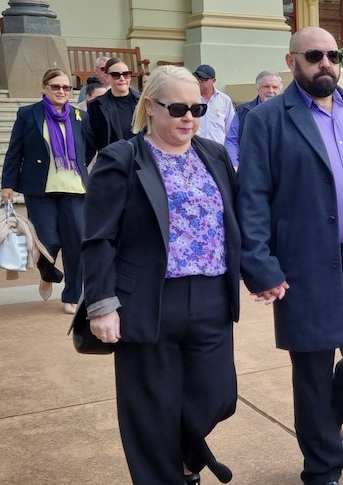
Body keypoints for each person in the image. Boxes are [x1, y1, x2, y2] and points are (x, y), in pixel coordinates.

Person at [238, 26, 343, 485]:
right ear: (293, 62)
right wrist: (260, 265)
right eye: (314, 55)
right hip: (304, 264)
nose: (325, 63)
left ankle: (326, 423)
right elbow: (251, 197)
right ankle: (322, 467)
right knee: (312, 368)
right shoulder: (268, 119)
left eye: (332, 54)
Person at [82, 65, 240, 485]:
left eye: (197, 108)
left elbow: (238, 220)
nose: (189, 117)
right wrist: (102, 304)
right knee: (151, 409)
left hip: (211, 296)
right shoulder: (122, 159)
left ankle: (188, 459)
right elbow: (98, 238)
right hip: (146, 301)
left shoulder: (214, 155)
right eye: (178, 108)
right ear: (149, 107)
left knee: (218, 395)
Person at [0, 68, 95, 314]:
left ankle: (72, 295)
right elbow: (15, 151)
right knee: (46, 241)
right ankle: (48, 273)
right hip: (40, 188)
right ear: (44, 87)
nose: (61, 91)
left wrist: (77, 167)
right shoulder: (28, 114)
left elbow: (89, 148)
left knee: (76, 243)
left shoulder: (79, 117)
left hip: (74, 188)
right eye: (56, 86)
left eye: (66, 87)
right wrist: (7, 184)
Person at [224, 70, 283, 166]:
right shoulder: (243, 111)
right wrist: (234, 165)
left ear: (280, 90)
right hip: (250, 168)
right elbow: (232, 140)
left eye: (275, 87)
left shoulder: (288, 113)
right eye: (266, 86)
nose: (271, 91)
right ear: (258, 88)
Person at [87, 57, 140, 151]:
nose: (122, 78)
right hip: (112, 160)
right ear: (107, 77)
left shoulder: (143, 102)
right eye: (116, 75)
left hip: (141, 160)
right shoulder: (96, 106)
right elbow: (91, 142)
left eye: (126, 74)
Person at [194, 64, 235, 145]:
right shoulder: (191, 98)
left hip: (218, 149)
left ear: (213, 80)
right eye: (198, 78)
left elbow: (230, 129)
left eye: (204, 79)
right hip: (197, 148)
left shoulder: (224, 100)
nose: (200, 82)